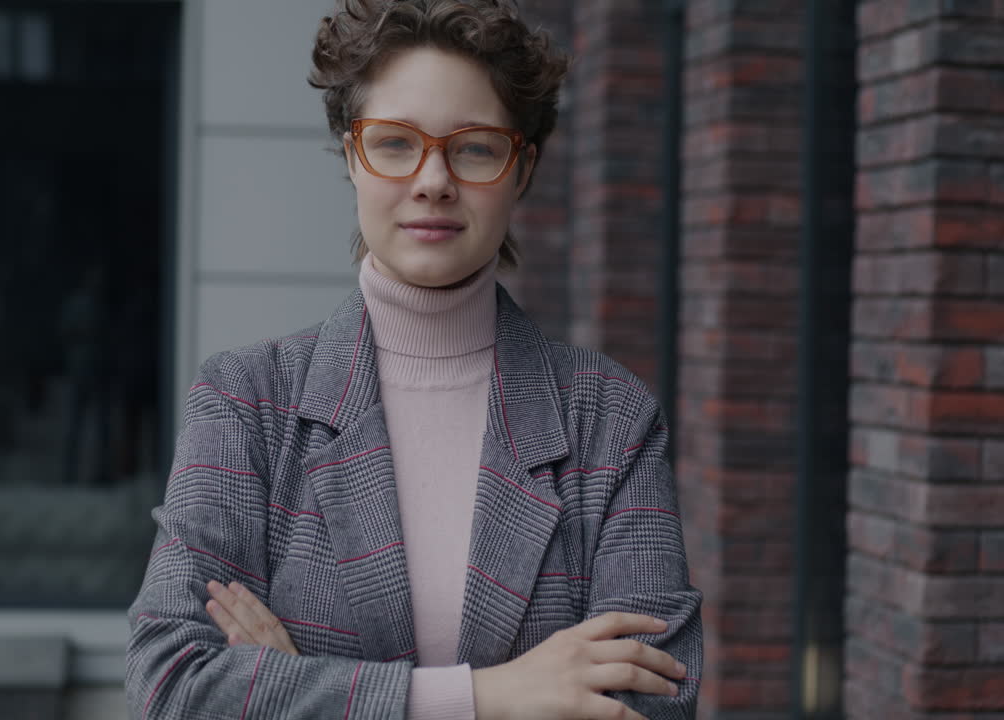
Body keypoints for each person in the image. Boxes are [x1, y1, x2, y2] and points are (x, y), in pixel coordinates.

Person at [125, 1, 702, 718]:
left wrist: (298, 689)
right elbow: (174, 686)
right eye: (396, 143)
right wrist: (489, 695)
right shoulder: (248, 402)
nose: (433, 179)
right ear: (349, 154)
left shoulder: (610, 420)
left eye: (476, 147)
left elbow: (652, 705)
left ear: (521, 168)